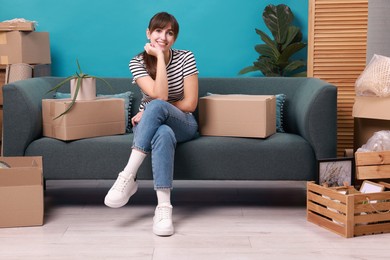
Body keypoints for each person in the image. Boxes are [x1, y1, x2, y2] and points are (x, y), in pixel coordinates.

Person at [104, 12, 199, 237]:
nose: (163, 37)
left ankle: (127, 176)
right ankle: (163, 208)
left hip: (183, 122)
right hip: (156, 126)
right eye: (158, 31)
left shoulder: (186, 57)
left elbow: (190, 103)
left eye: (170, 33)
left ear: (175, 38)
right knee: (163, 132)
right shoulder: (136, 62)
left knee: (155, 107)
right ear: (148, 33)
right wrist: (157, 58)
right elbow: (160, 93)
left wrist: (149, 109)